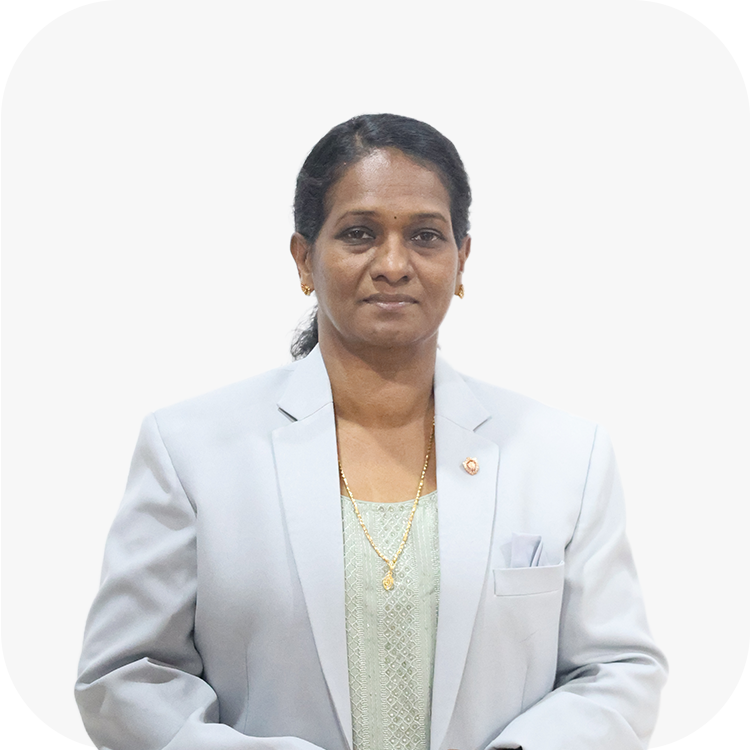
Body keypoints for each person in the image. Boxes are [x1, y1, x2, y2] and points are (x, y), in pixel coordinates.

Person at [76, 113, 667, 750]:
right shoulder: (191, 450)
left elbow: (618, 670)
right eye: (359, 233)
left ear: (462, 260)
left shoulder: (564, 456)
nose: (393, 264)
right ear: (304, 258)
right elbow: (127, 676)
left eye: (425, 236)